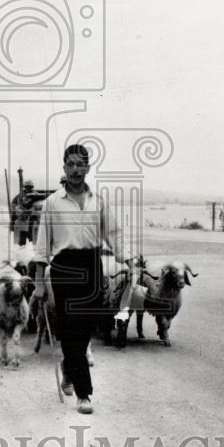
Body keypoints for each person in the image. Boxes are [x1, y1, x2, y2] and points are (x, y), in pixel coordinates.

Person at [35, 144, 137, 415]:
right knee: (69, 328)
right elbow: (42, 246)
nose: (76, 169)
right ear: (64, 167)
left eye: (81, 164)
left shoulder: (98, 202)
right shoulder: (52, 203)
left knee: (86, 327)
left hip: (91, 266)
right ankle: (84, 394)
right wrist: (38, 284)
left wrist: (127, 260)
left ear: (88, 168)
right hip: (63, 268)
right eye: (71, 164)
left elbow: (114, 233)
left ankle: (69, 367)